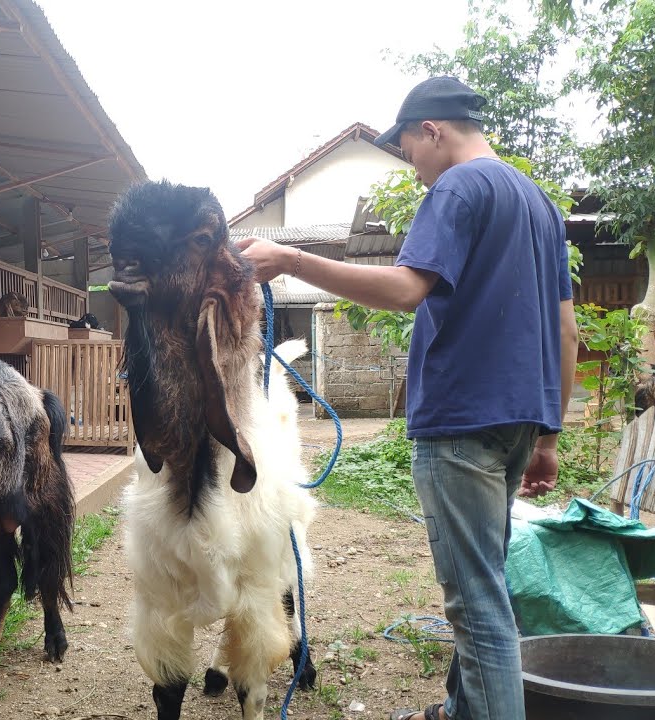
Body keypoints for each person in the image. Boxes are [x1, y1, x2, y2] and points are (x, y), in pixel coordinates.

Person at [237, 77, 578, 720]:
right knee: (487, 581)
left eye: (408, 150)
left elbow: (403, 289)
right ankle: (457, 709)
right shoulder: (538, 203)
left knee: (479, 608)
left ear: (433, 129)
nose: (414, 169)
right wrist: (549, 438)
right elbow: (567, 330)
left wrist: (289, 259)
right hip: (517, 426)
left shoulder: (459, 187)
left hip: (461, 426)